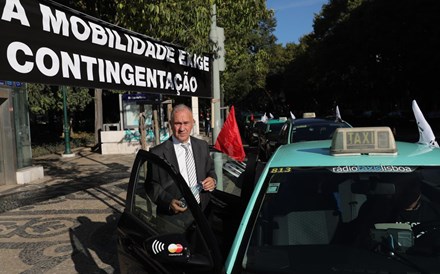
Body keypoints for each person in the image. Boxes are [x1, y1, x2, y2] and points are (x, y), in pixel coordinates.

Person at [148, 104, 217, 215]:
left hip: (203, 211)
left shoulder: (203, 146)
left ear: (193, 123)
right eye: (177, 123)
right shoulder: (157, 153)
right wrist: (168, 202)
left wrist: (212, 181)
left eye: (186, 123)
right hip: (174, 219)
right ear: (170, 124)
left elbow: (211, 171)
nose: (182, 128)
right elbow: (151, 185)